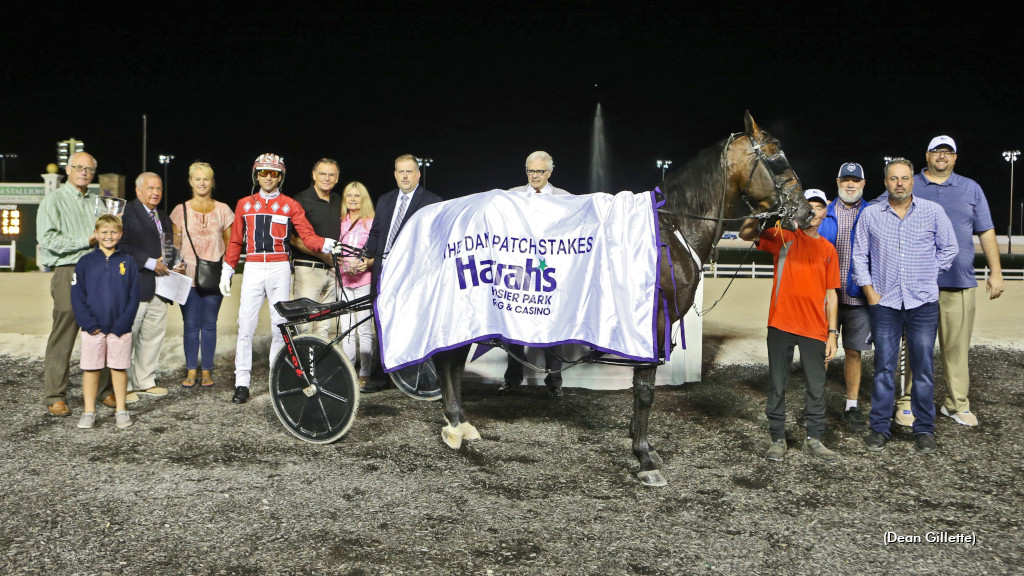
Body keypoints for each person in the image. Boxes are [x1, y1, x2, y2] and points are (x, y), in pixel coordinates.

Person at [895, 136, 1004, 427]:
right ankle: (907, 403)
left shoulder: (971, 188)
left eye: (948, 152)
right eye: (936, 151)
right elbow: (879, 212)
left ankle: (956, 404)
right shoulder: (910, 183)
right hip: (917, 285)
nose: (942, 156)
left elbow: (986, 232)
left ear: (955, 158)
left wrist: (996, 271)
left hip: (959, 282)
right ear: (927, 156)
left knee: (956, 349)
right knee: (915, 347)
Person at [852, 158, 958, 454]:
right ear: (885, 182)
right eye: (893, 178)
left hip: (922, 303)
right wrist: (870, 292)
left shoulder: (932, 212)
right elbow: (859, 256)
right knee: (884, 368)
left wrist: (928, 273)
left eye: (905, 178)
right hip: (884, 303)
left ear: (913, 181)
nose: (899, 183)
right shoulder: (872, 214)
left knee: (922, 368)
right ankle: (880, 428)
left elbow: (950, 248)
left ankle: (924, 429)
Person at [220, 153, 338, 404]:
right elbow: (236, 239)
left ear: (281, 176)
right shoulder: (244, 203)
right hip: (252, 266)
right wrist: (228, 268)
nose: (268, 177)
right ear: (256, 174)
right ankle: (242, 382)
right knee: (246, 327)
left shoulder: (290, 205)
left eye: (273, 173)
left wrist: (327, 244)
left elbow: (307, 236)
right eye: (263, 172)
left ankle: (276, 378)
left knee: (279, 326)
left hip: (279, 268)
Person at [739, 189, 840, 463]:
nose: (813, 211)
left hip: (815, 329)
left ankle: (815, 439)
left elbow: (831, 294)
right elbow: (746, 234)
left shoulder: (829, 250)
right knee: (778, 383)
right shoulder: (782, 237)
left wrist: (832, 333)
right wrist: (760, 211)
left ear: (824, 213)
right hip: (781, 324)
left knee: (817, 386)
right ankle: (777, 438)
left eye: (818, 207)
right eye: (808, 206)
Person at [359, 154, 443, 393]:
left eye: (409, 172)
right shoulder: (385, 200)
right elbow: (375, 233)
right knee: (382, 322)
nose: (405, 176)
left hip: (411, 273)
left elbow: (433, 241)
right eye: (400, 172)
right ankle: (380, 376)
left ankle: (419, 378)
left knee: (413, 322)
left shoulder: (431, 201)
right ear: (395, 174)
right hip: (383, 270)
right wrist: (367, 254)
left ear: (418, 174)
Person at [37, 152, 111, 416]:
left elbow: (107, 232)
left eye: (89, 169)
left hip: (98, 271)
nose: (84, 172)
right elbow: (47, 239)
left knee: (101, 330)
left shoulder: (98, 202)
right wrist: (86, 240)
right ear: (68, 169)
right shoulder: (53, 200)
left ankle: (103, 390)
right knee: (65, 330)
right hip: (68, 270)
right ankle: (55, 395)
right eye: (79, 167)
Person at [498, 151, 570, 398]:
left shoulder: (566, 198)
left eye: (540, 171)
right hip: (520, 272)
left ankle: (555, 381)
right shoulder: (512, 196)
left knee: (553, 325)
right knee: (514, 323)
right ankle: (512, 379)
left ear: (549, 172)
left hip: (551, 272)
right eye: (531, 171)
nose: (535, 176)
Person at [70, 214, 140, 429]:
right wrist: (88, 324)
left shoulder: (128, 261)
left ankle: (121, 410)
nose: (108, 236)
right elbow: (77, 295)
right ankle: (89, 412)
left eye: (113, 232)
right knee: (91, 369)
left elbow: (134, 295)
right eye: (104, 232)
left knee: (119, 368)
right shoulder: (85, 262)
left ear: (120, 234)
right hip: (93, 329)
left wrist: (123, 323)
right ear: (96, 234)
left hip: (120, 328)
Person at [817, 162, 871, 432]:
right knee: (821, 354)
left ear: (863, 184)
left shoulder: (873, 212)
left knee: (853, 352)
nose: (850, 185)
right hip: (825, 297)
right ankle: (816, 407)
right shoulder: (824, 212)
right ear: (837, 181)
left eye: (855, 180)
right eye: (846, 180)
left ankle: (851, 406)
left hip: (857, 297)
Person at [170, 161, 234, 389]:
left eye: (206, 178)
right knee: (190, 324)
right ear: (190, 182)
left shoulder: (224, 210)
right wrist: (174, 266)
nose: (202, 183)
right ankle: (190, 370)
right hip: (186, 277)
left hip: (213, 276)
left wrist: (227, 271)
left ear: (212, 182)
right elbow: (174, 245)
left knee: (209, 324)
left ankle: (206, 369)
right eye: (197, 179)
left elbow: (231, 244)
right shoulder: (180, 210)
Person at [118, 172, 175, 403]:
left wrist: (174, 262)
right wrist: (151, 263)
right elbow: (121, 246)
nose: (155, 193)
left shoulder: (163, 216)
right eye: (150, 188)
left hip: (161, 288)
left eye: (159, 188)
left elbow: (169, 246)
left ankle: (145, 380)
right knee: (128, 337)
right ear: (138, 190)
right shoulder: (125, 213)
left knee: (153, 336)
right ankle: (125, 384)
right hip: (135, 285)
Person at [290, 158, 343, 340]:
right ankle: (301, 368)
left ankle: (317, 368)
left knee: (324, 327)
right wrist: (321, 255)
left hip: (332, 272)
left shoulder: (338, 200)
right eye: (322, 174)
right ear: (314, 175)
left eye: (331, 175)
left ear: (336, 178)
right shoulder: (301, 200)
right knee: (303, 325)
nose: (326, 178)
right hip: (308, 270)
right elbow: (292, 238)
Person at [337, 181, 375, 385]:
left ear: (364, 199)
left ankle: (366, 373)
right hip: (343, 281)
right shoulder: (341, 221)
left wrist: (367, 263)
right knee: (347, 328)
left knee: (364, 328)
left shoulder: (370, 222)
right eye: (349, 195)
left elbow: (377, 252)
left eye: (357, 195)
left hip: (363, 281)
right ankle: (350, 370)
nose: (352, 199)